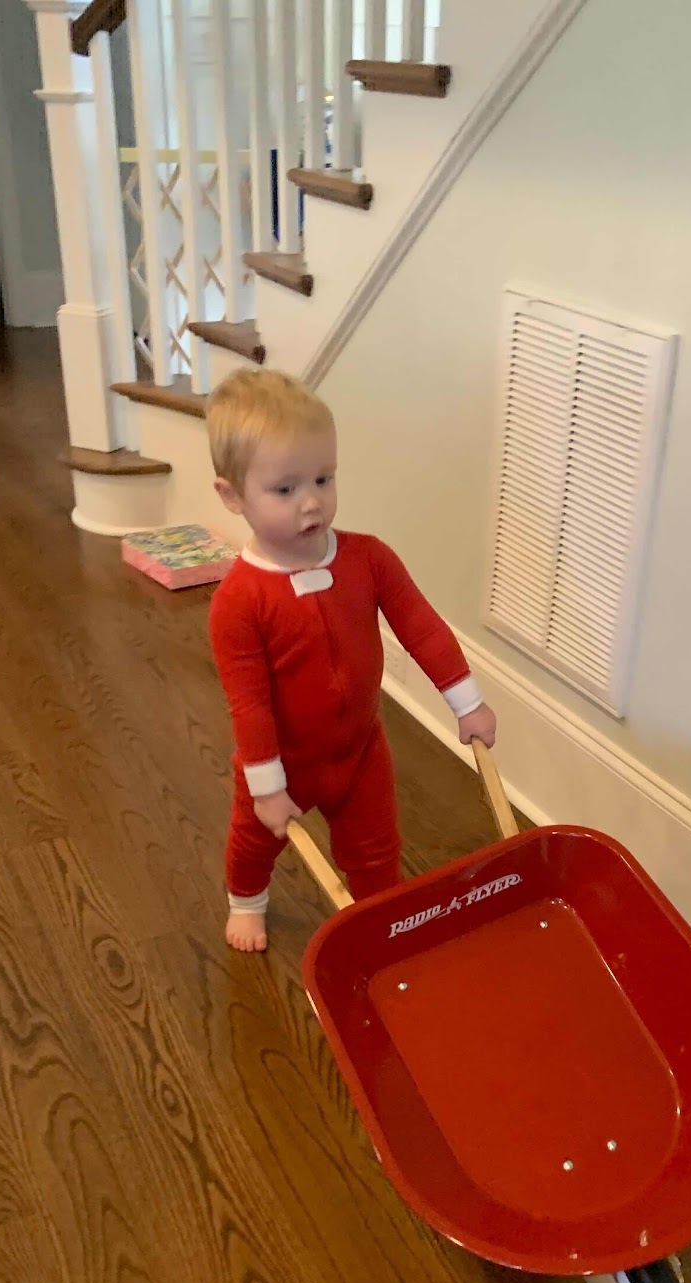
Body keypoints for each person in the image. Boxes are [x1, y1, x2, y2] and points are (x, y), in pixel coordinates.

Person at [207, 369, 497, 952]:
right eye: (285, 489)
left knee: (377, 849)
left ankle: (380, 919)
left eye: (323, 478)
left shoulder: (369, 559)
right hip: (284, 760)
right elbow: (249, 703)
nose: (312, 501)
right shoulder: (238, 601)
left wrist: (467, 701)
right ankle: (246, 902)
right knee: (256, 841)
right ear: (232, 496)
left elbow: (422, 627)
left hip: (361, 749)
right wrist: (267, 785)